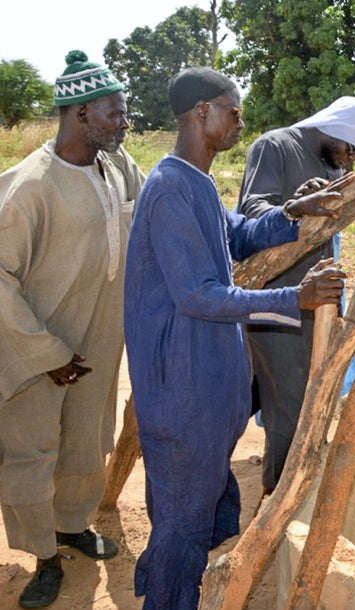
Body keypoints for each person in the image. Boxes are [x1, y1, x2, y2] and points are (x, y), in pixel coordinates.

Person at [124, 67, 348, 609]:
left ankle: (167, 582)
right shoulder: (170, 188)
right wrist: (294, 298)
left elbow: (241, 236)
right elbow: (200, 295)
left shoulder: (196, 181)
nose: (239, 121)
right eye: (233, 109)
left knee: (190, 514)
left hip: (205, 389)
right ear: (202, 111)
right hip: (182, 392)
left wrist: (293, 211)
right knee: (182, 523)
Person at [0, 50, 143, 609]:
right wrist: (47, 353)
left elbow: (155, 203)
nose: (125, 121)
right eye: (116, 112)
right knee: (33, 453)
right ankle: (42, 556)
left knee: (86, 444)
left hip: (99, 343)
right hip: (37, 350)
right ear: (81, 113)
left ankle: (71, 526)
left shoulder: (116, 166)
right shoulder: (28, 185)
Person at [237, 95, 355, 493]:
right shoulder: (275, 146)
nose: (349, 159)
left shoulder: (329, 164)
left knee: (296, 401)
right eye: (350, 148)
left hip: (315, 303)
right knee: (288, 407)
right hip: (278, 303)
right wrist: (297, 205)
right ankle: (278, 498)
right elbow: (252, 211)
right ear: (337, 130)